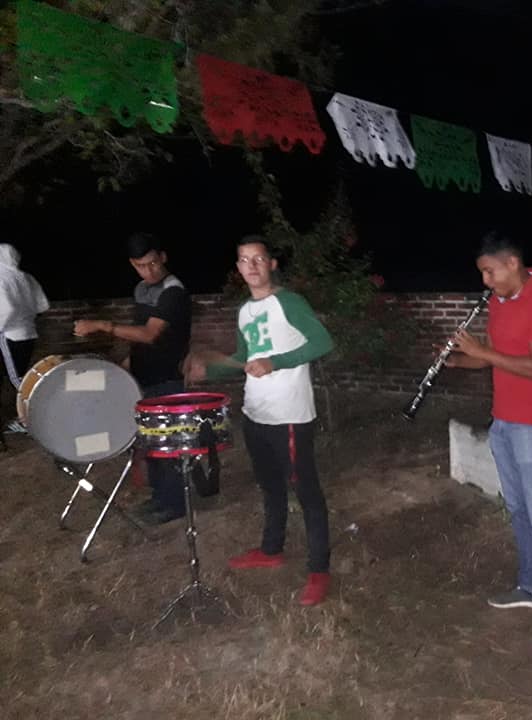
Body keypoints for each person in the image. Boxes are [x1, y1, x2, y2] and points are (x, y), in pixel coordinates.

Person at [446, 230, 532, 651]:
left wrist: (481, 353)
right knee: (518, 509)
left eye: (490, 272)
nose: (485, 281)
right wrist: (457, 359)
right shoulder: (498, 302)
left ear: (511, 263)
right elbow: (493, 357)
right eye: (482, 273)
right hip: (504, 421)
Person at [184, 235, 335, 606]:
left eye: (258, 259)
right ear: (238, 268)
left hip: (289, 415)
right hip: (256, 412)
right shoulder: (245, 311)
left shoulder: (290, 302)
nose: (251, 266)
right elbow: (244, 356)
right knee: (270, 487)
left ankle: (319, 570)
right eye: (244, 260)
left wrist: (276, 362)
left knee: (307, 492)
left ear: (272, 263)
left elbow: (322, 342)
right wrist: (210, 371)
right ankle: (271, 549)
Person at [74, 233, 192, 524]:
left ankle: (175, 504)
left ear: (163, 257)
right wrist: (128, 364)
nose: (148, 271)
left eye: (153, 263)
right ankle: (160, 497)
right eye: (141, 266)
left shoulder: (173, 292)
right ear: (132, 264)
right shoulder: (142, 290)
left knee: (167, 443)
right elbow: (138, 337)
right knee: (150, 443)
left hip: (167, 378)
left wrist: (102, 325)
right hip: (145, 377)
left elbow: (150, 334)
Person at [0, 243, 50, 443]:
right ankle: (26, 418)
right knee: (20, 379)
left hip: (7, 336)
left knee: (18, 383)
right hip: (28, 335)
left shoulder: (1, 276)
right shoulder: (27, 278)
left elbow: (7, 308)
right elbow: (43, 305)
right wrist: (24, 316)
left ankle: (36, 419)